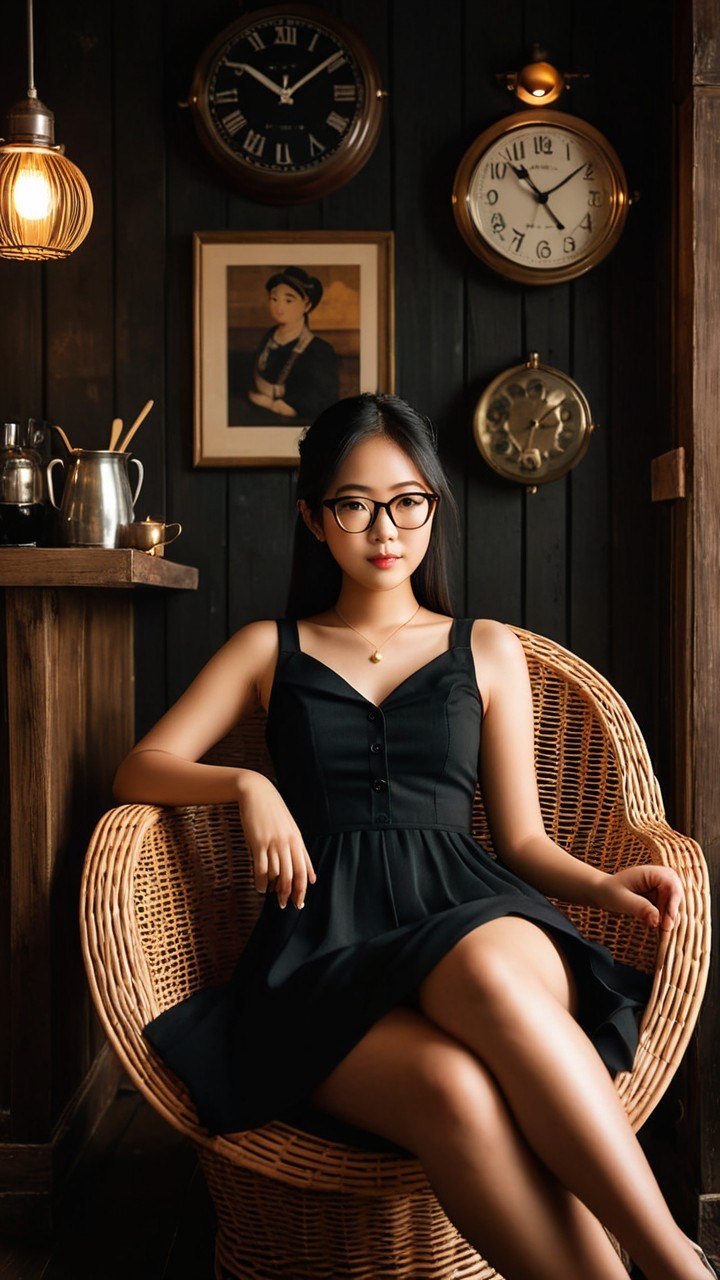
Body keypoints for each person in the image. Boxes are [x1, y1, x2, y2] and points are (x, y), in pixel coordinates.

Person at [113, 393, 715, 1280]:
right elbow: (141, 767)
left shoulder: (488, 648)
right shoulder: (268, 648)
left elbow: (521, 841)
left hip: (476, 918)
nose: (385, 527)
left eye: (409, 501)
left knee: (476, 965)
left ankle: (674, 1261)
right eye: (355, 504)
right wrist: (248, 784)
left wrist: (598, 885)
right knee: (452, 1091)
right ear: (315, 519)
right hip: (324, 955)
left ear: (434, 505)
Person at [241, 265, 339, 423]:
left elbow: (323, 402)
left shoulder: (320, 350)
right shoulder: (268, 337)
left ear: (306, 305)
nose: (279, 307)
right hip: (258, 416)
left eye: (288, 300)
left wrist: (276, 405)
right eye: (274, 299)